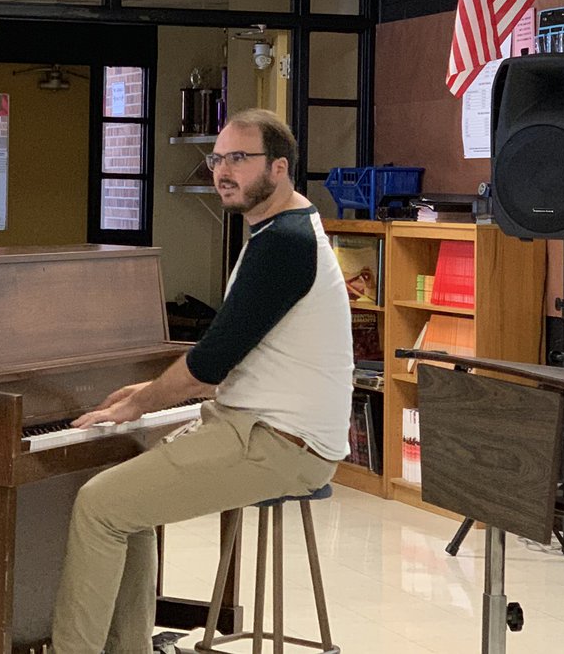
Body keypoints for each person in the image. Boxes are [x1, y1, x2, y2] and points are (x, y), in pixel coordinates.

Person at [50, 108, 354, 654]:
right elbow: (234, 355)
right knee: (128, 505)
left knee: (98, 508)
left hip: (280, 442)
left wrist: (140, 402)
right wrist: (155, 395)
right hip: (263, 426)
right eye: (218, 158)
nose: (222, 170)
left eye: (240, 158)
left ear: (279, 168)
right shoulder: (278, 230)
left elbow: (212, 362)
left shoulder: (284, 243)